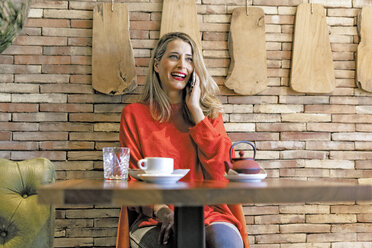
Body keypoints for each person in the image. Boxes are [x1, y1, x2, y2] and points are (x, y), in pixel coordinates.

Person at [117, 32, 247, 248]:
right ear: (157, 65)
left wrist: (196, 111)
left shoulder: (209, 116)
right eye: (174, 57)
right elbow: (132, 180)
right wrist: (163, 211)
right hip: (155, 217)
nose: (182, 65)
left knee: (222, 243)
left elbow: (221, 175)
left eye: (189, 59)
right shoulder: (134, 115)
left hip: (210, 214)